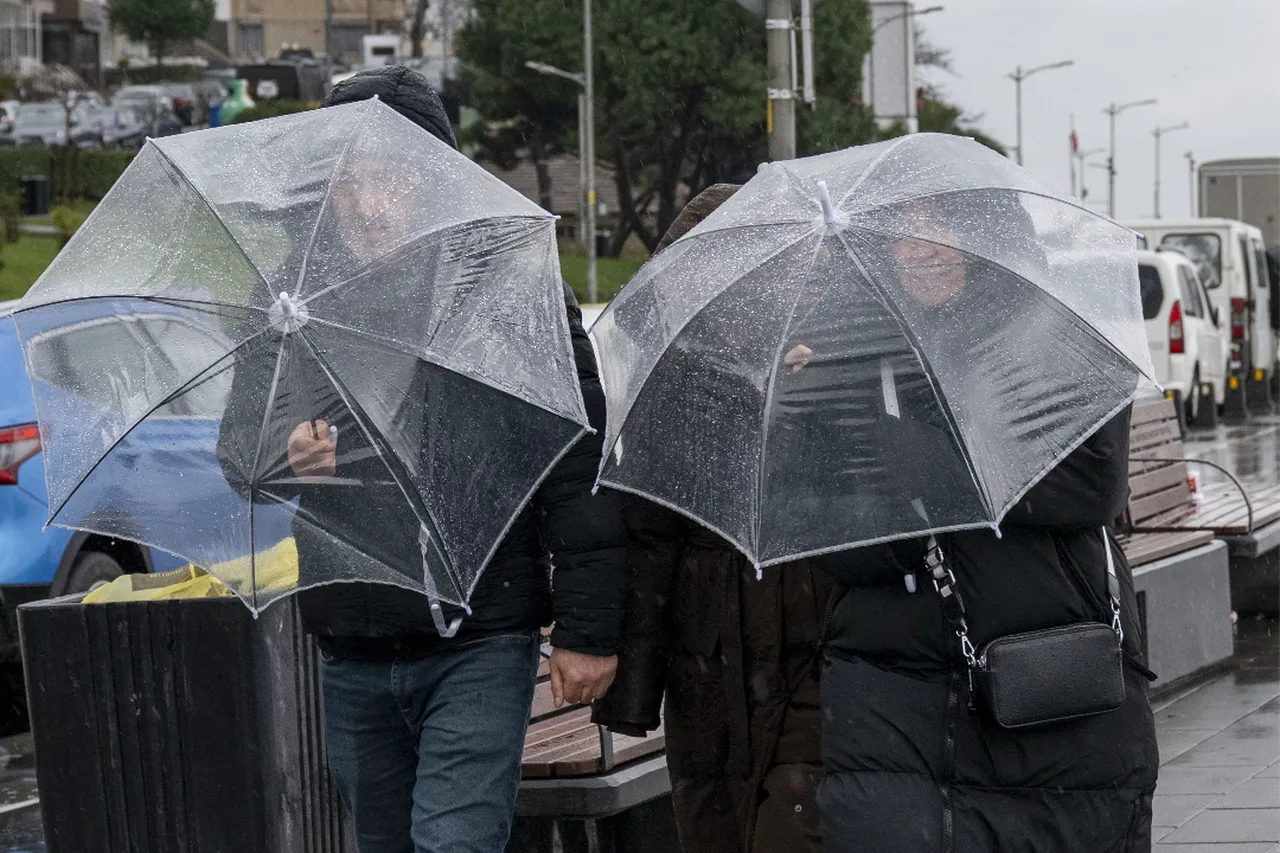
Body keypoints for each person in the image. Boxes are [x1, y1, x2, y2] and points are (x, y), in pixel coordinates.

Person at [216, 66, 627, 853]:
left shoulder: (503, 282)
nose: (369, 203)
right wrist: (282, 452)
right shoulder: (294, 299)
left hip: (479, 633)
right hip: (352, 641)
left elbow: (578, 467)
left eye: (394, 177)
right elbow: (240, 453)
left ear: (437, 178)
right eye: (350, 180)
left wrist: (588, 629)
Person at [816, 195, 1159, 852]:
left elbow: (1090, 484)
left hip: (1053, 679)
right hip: (896, 697)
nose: (919, 248)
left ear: (989, 231)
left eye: (939, 223)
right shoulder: (850, 351)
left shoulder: (1058, 331)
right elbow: (836, 537)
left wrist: (931, 449)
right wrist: (817, 411)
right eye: (900, 231)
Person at [593, 184, 834, 853]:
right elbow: (651, 537)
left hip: (813, 658)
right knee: (713, 829)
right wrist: (636, 686)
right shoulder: (668, 382)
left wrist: (822, 394)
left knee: (793, 829)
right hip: (704, 674)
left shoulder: (838, 360)